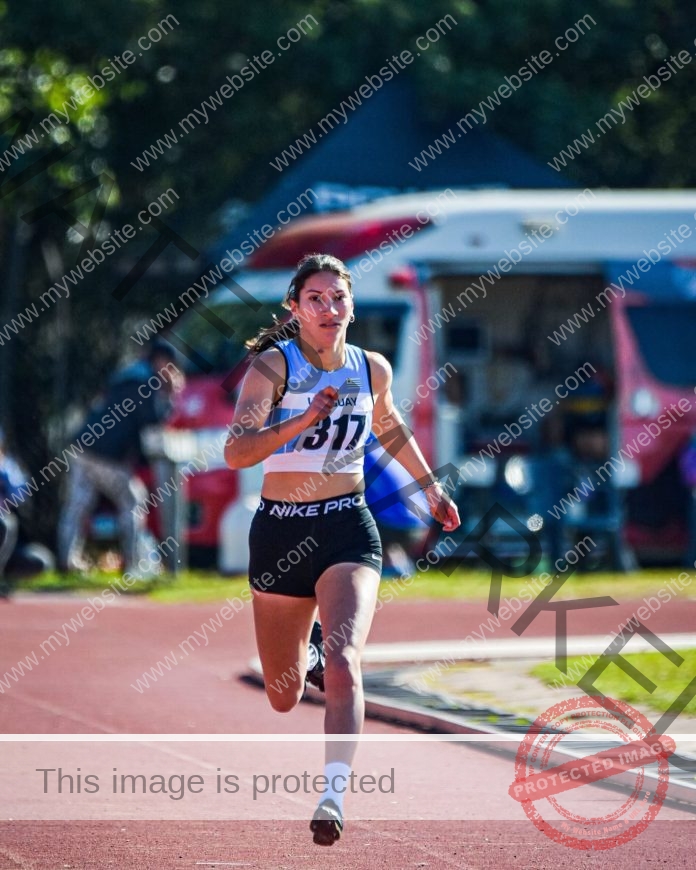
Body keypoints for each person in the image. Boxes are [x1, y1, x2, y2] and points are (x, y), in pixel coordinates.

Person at [224, 253, 460, 846]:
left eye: (339, 298)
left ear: (351, 304)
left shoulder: (371, 367)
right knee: (284, 696)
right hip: (280, 532)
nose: (330, 309)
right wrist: (299, 420)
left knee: (344, 659)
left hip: (347, 526)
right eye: (316, 300)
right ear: (295, 309)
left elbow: (387, 427)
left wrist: (431, 488)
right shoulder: (272, 367)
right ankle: (302, 652)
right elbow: (237, 452)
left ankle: (333, 796)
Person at [58, 340, 185, 575]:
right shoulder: (148, 381)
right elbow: (151, 422)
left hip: (82, 446)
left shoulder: (126, 374)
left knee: (77, 504)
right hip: (105, 455)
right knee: (133, 500)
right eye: (170, 364)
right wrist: (170, 397)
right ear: (160, 360)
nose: (171, 370)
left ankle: (66, 562)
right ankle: (135, 563)